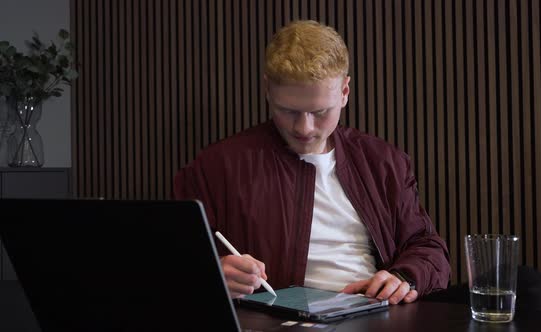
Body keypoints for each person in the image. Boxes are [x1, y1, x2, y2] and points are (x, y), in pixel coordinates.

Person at [173, 19, 451, 305]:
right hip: (274, 321)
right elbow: (173, 263)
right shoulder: (218, 168)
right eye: (287, 111)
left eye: (319, 112)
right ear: (268, 90)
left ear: (344, 92)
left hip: (374, 315)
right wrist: (214, 272)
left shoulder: (383, 162)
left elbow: (428, 249)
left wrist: (404, 278)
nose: (304, 128)